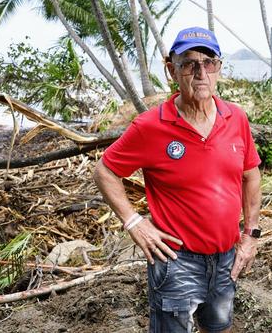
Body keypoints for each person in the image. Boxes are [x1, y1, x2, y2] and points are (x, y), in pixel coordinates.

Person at [93, 26, 262, 333]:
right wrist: (134, 222)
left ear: (219, 69)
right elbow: (105, 171)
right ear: (171, 70)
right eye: (189, 63)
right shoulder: (150, 127)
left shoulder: (235, 118)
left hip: (226, 257)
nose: (201, 73)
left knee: (220, 326)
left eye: (208, 63)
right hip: (175, 260)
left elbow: (250, 175)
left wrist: (250, 235)